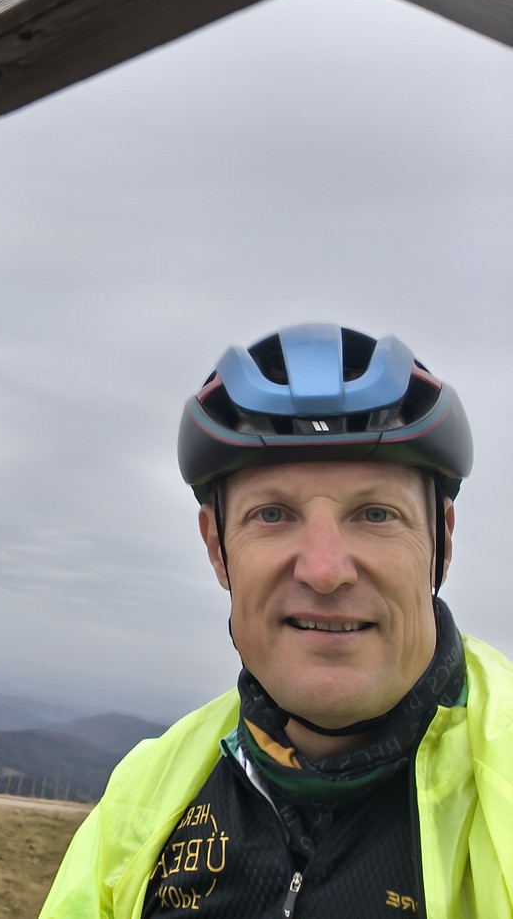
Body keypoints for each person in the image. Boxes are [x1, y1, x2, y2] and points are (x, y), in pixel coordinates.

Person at [39, 322, 513, 918]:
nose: (325, 571)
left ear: (441, 541)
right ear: (218, 548)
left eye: (375, 514)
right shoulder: (142, 798)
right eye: (271, 514)